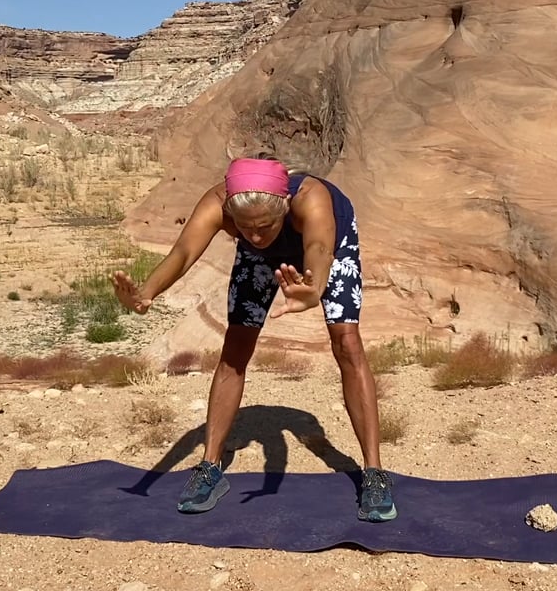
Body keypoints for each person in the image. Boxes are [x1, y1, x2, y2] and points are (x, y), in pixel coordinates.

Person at [110, 155, 397, 522]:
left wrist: (312, 291)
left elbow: (320, 250)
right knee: (235, 349)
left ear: (285, 207)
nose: (256, 235)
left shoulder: (312, 198)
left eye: (264, 226)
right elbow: (183, 253)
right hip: (260, 261)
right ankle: (209, 468)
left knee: (347, 342)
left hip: (328, 245)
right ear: (231, 211)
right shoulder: (221, 204)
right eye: (245, 228)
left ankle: (374, 473)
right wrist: (146, 293)